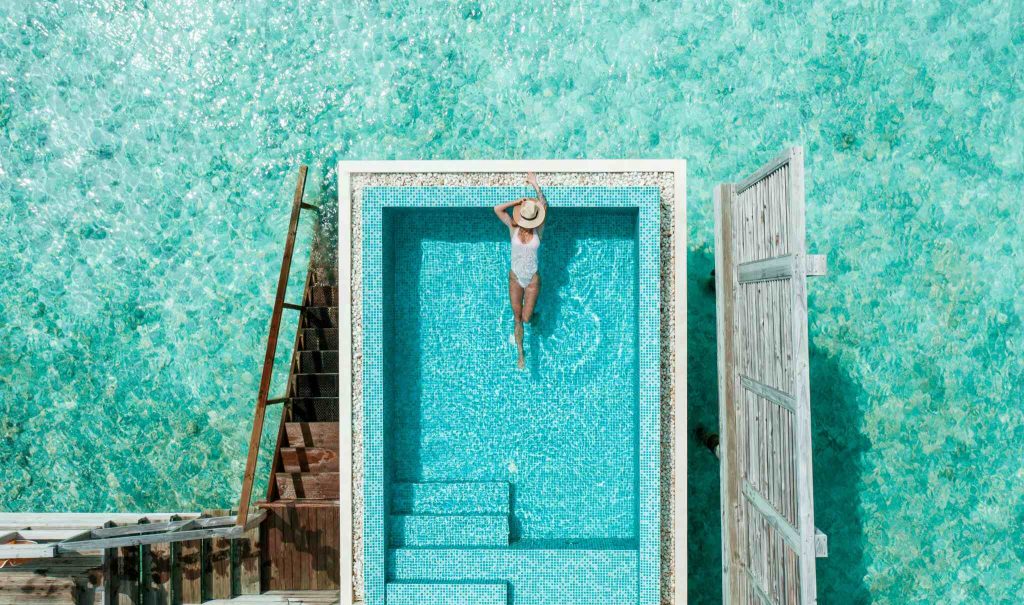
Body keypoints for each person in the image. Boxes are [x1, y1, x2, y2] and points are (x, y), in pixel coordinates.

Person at [493, 172, 547, 369]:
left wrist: (535, 184)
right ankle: (521, 354)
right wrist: (518, 200)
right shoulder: (513, 227)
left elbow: (544, 206)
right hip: (515, 278)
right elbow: (497, 209)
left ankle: (534, 316)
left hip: (532, 280)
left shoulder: (538, 230)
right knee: (517, 318)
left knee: (526, 317)